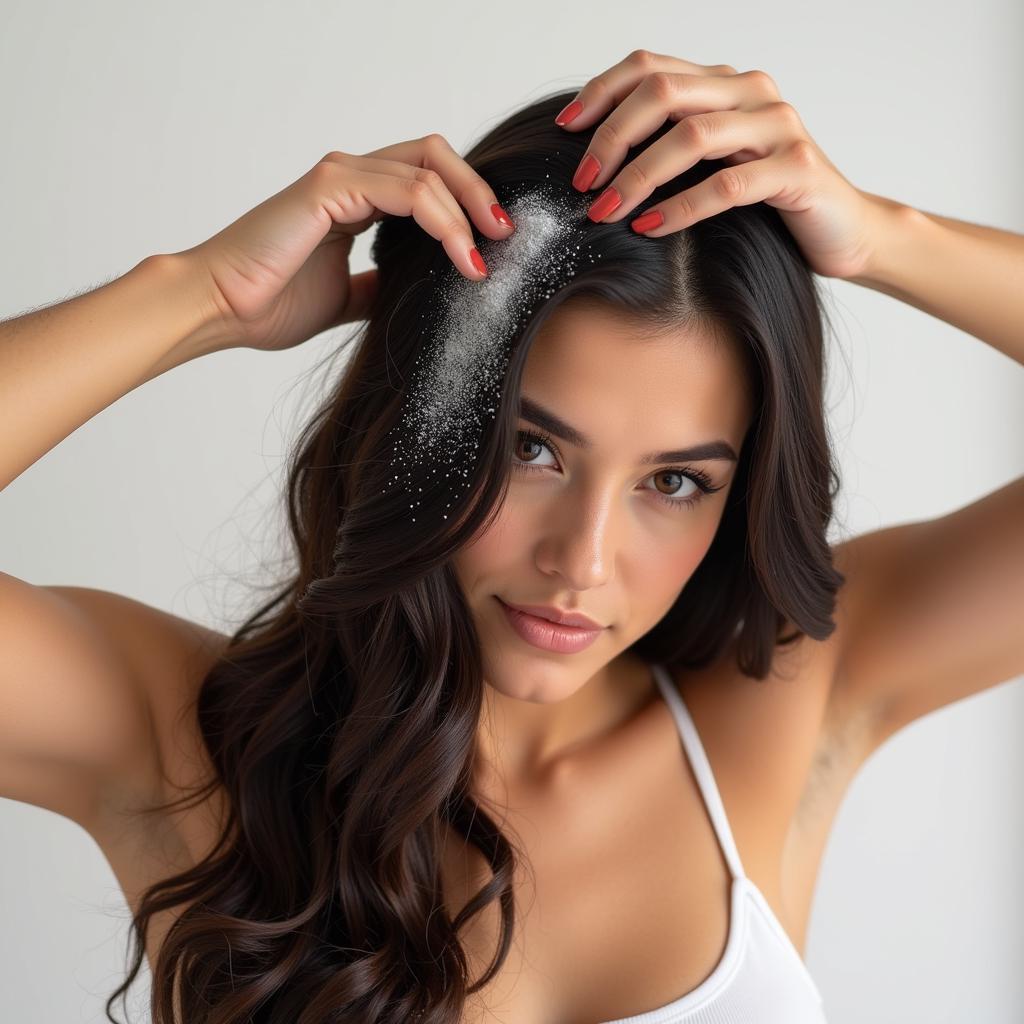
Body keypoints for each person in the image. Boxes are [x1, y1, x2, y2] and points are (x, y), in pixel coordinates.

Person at [2, 48, 1022, 1024]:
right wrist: (196, 296)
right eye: (531, 449)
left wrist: (887, 237)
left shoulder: (793, 698)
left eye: (674, 481)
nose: (580, 561)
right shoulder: (187, 740)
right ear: (419, 419)